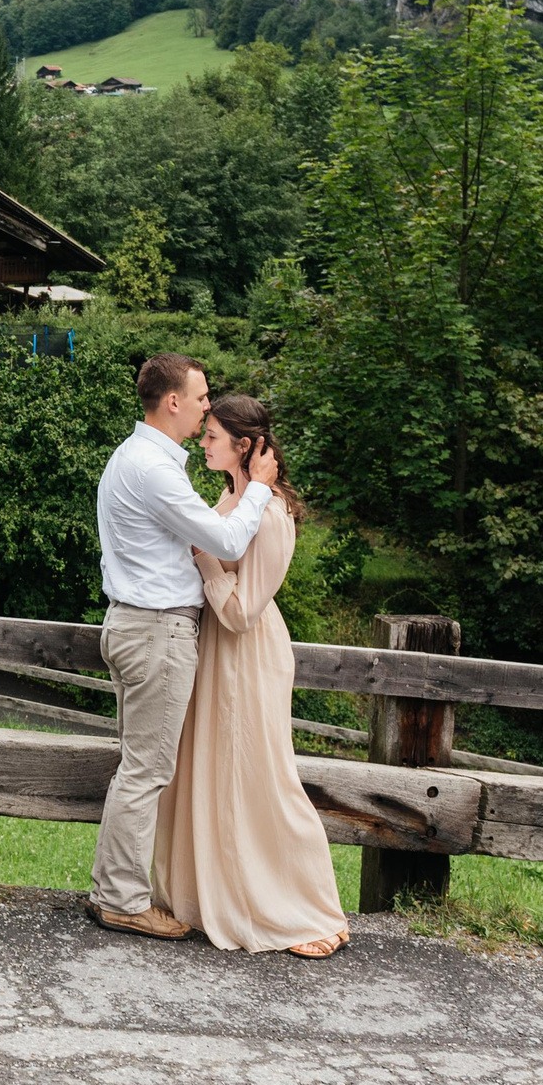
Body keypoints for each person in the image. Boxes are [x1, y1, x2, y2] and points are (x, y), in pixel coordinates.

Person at [86, 351, 276, 939]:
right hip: (157, 632)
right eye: (200, 397)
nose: (206, 406)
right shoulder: (154, 469)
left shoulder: (132, 457)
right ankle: (121, 900)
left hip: (134, 626)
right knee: (146, 771)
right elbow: (225, 539)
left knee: (137, 768)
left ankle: (111, 891)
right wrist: (259, 490)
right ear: (173, 401)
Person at [156, 394, 350, 958]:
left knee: (265, 780)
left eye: (213, 436)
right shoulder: (232, 497)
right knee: (213, 776)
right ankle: (209, 896)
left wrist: (203, 556)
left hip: (247, 657)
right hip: (216, 653)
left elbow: (243, 611)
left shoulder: (270, 513)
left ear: (244, 445)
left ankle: (313, 912)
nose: (203, 442)